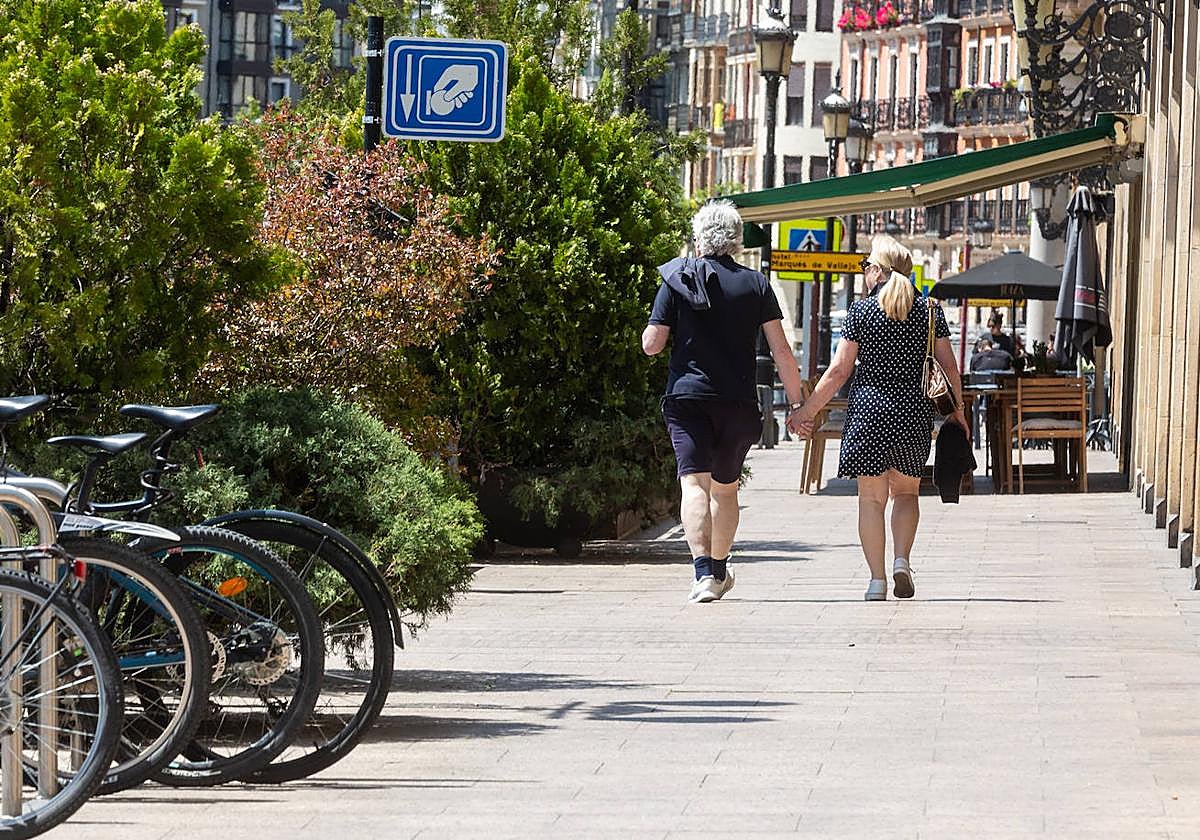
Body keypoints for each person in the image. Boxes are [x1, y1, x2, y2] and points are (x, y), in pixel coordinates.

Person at [642, 200, 804, 604]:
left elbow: (651, 345)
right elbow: (781, 351)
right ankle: (718, 568)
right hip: (737, 402)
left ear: (698, 238)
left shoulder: (675, 279)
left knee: (693, 483)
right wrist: (798, 404)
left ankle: (703, 576)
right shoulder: (755, 284)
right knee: (725, 490)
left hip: (688, 398)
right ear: (735, 241)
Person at [791, 235, 968, 601]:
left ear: (879, 271)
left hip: (869, 414)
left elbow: (840, 370)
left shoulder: (861, 312)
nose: (865, 272)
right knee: (906, 492)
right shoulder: (930, 311)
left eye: (867, 266)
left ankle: (877, 581)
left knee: (871, 499)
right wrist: (958, 414)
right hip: (913, 414)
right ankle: (902, 559)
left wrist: (806, 411)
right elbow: (949, 366)